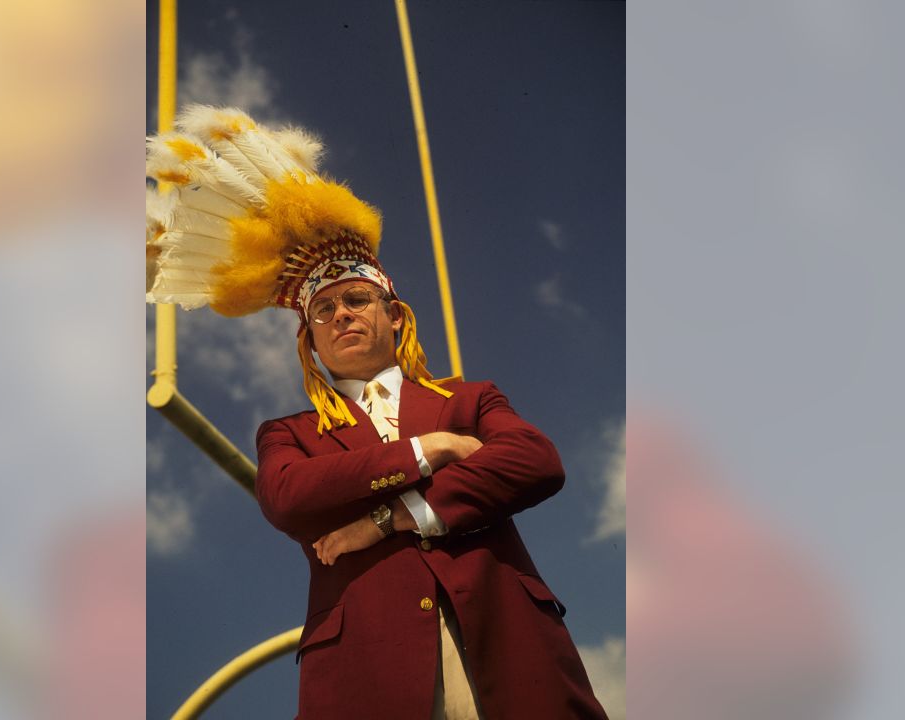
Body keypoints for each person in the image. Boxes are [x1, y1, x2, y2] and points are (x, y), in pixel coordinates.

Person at [146, 106, 607, 719]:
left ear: (394, 315)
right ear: (310, 340)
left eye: (357, 299)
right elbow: (285, 496)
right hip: (369, 677)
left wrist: (392, 518)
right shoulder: (290, 434)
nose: (340, 315)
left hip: (509, 654)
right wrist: (429, 451)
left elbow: (536, 461)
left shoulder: (467, 400)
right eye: (323, 310)